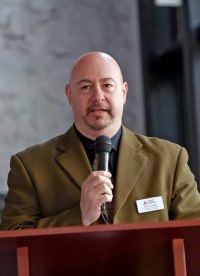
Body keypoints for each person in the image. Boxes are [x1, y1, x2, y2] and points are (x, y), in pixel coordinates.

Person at [1, 51, 200, 230]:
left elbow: (194, 233)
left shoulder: (170, 159)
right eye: (86, 87)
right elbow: (12, 239)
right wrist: (81, 215)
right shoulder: (29, 166)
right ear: (70, 95)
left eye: (107, 85)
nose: (98, 96)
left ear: (123, 92)